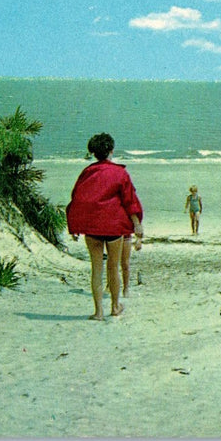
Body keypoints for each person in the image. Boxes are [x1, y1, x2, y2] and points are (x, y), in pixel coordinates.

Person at [66, 133, 144, 321]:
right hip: (113, 227)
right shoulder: (120, 173)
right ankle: (115, 306)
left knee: (96, 269)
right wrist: (137, 224)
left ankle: (98, 311)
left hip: (92, 227)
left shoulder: (87, 173)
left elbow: (77, 199)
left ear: (93, 152)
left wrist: (75, 224)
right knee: (113, 268)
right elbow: (130, 201)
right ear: (111, 150)